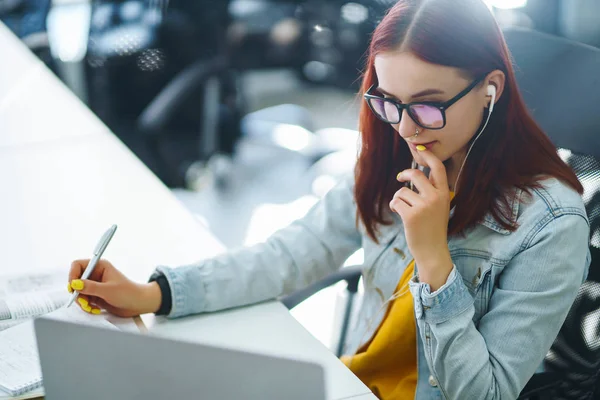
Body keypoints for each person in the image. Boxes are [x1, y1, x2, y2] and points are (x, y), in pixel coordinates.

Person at [67, 0, 591, 398]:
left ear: (490, 90)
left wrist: (434, 259)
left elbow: (485, 392)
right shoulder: (393, 154)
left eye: (429, 108)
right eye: (389, 102)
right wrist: (154, 293)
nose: (406, 129)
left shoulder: (552, 224)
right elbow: (295, 251)